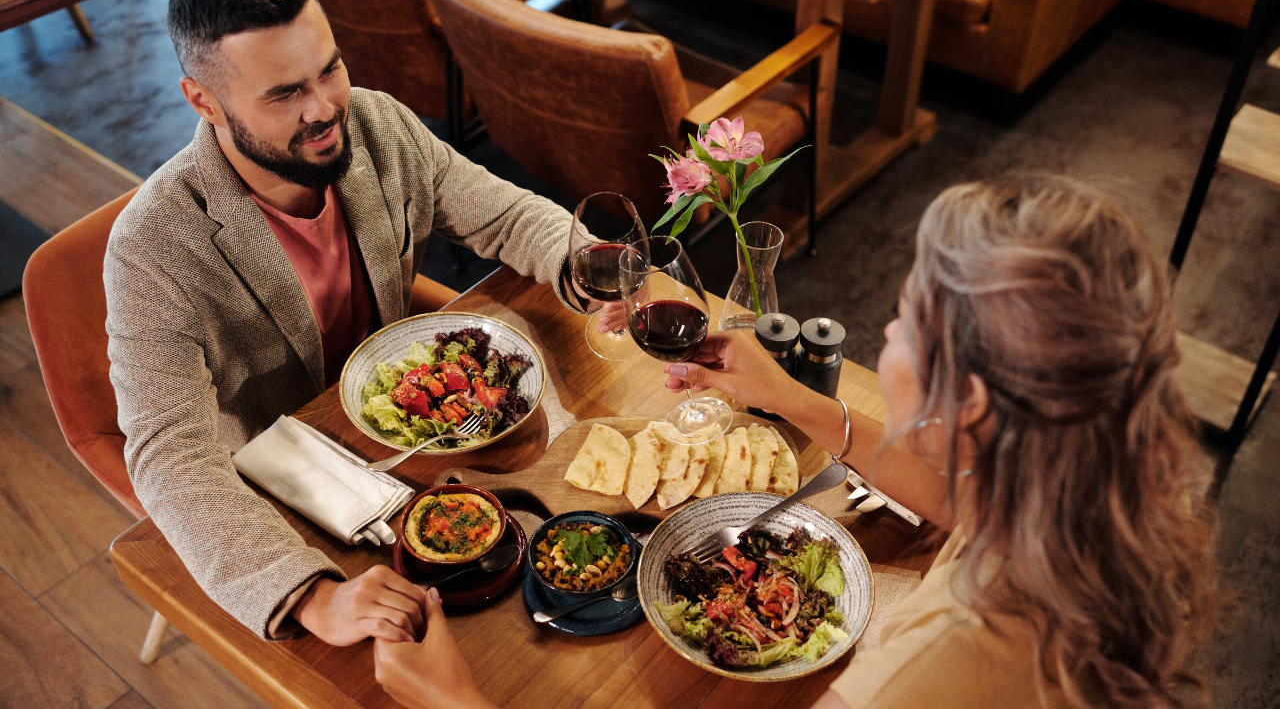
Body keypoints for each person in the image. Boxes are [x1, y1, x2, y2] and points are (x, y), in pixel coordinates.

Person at [373, 176, 1218, 709]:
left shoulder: (935, 666)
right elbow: (969, 505)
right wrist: (791, 401)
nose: (887, 326)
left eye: (907, 316)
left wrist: (452, 701)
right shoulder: (1085, 494)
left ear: (970, 400)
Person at [105, 0, 587, 645]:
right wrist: (311, 599)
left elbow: (502, 213)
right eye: (283, 94)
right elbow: (169, 454)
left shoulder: (378, 124)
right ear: (203, 101)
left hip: (408, 444)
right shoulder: (152, 246)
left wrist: (588, 265)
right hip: (286, 492)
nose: (324, 109)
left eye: (329, 69)